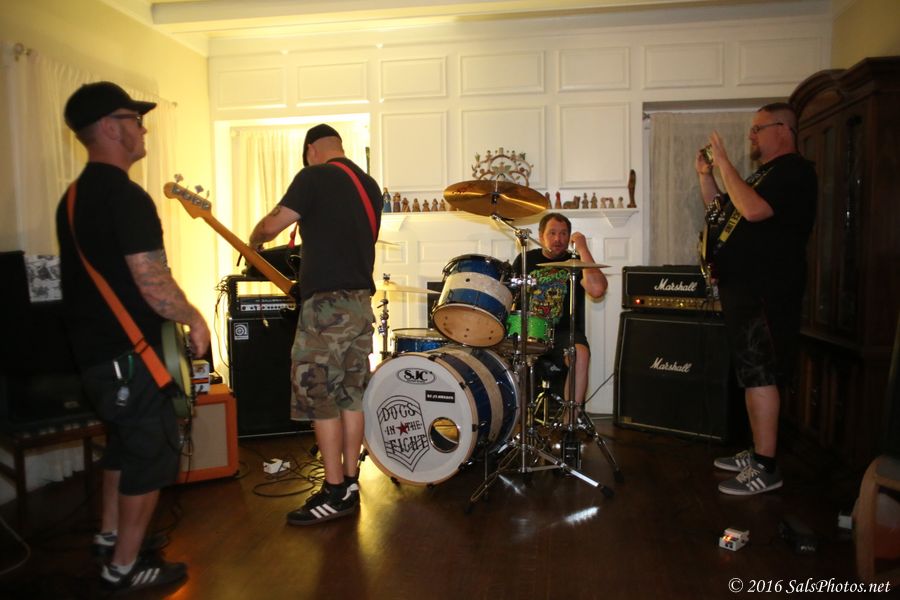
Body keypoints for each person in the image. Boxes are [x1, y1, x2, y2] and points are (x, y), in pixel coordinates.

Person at [55, 81, 210, 592]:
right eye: (135, 120)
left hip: (96, 358)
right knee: (150, 454)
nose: (143, 129)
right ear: (109, 127)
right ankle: (123, 567)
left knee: (122, 445)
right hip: (130, 356)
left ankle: (109, 535)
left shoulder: (72, 198)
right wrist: (195, 318)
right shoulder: (126, 197)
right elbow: (152, 282)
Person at [249, 124, 382, 525]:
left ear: (311, 150)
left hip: (326, 308)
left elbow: (273, 225)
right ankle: (351, 482)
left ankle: (334, 491)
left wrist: (254, 239)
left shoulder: (314, 176)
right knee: (350, 395)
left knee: (318, 393)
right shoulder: (369, 186)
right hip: (360, 304)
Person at [696, 102, 816, 496]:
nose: (752, 135)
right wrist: (707, 175)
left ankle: (766, 466)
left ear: (783, 129)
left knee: (761, 373)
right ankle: (756, 452)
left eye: (758, 128)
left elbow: (752, 210)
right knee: (750, 374)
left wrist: (725, 162)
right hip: (742, 289)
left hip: (767, 291)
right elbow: (720, 212)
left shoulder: (794, 171)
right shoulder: (763, 175)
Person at [522, 213, 608, 416]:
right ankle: (517, 417)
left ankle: (570, 420)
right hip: (531, 328)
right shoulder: (526, 259)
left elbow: (597, 290)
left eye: (563, 234)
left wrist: (582, 248)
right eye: (552, 233)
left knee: (581, 354)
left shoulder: (576, 262)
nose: (558, 239)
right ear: (541, 235)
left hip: (563, 331)